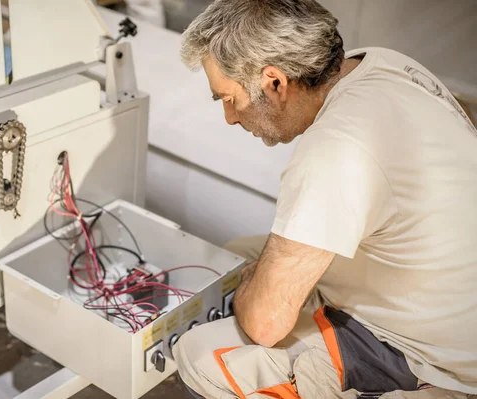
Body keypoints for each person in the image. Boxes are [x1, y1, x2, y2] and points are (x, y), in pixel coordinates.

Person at [172, 1, 477, 398]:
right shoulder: (379, 63)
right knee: (233, 255)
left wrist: (257, 288)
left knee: (201, 356)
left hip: (435, 355)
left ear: (275, 83)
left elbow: (265, 323)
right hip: (449, 296)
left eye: (228, 98)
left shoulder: (336, 147)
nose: (230, 117)